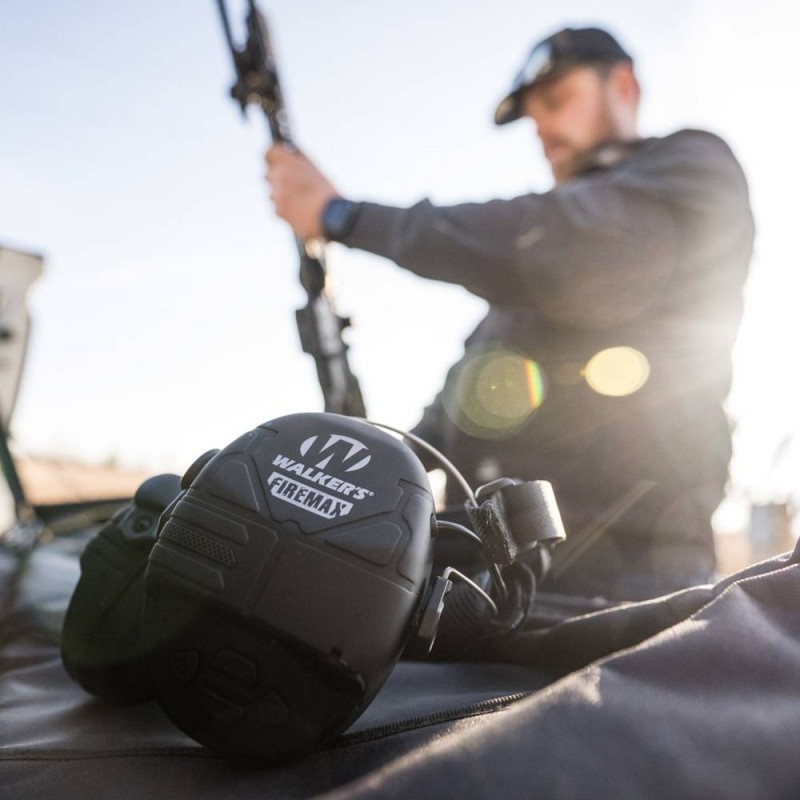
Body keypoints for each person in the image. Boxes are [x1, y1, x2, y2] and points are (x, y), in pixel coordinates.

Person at [265, 27, 755, 601]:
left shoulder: (690, 171)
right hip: (489, 588)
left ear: (623, 86)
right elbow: (461, 410)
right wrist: (364, 467)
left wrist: (342, 216)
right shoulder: (521, 296)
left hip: (627, 589)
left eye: (556, 100)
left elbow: (556, 243)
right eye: (532, 117)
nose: (541, 128)